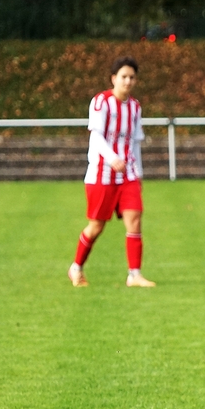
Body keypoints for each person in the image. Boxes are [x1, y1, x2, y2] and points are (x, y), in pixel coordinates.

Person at [68, 56, 155, 288]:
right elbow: (96, 136)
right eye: (124, 77)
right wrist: (112, 158)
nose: (128, 81)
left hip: (128, 175)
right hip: (101, 173)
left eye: (132, 77)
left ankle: (134, 274)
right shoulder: (101, 102)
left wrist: (139, 173)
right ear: (113, 78)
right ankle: (76, 267)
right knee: (96, 226)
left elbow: (135, 142)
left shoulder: (135, 107)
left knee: (134, 220)